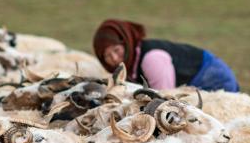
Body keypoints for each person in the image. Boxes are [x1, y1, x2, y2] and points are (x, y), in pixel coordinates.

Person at [91, 18, 239, 92]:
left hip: (212, 80)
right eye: (107, 56)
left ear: (126, 43)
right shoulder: (132, 65)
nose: (115, 59)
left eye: (116, 50)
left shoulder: (151, 59)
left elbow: (165, 98)